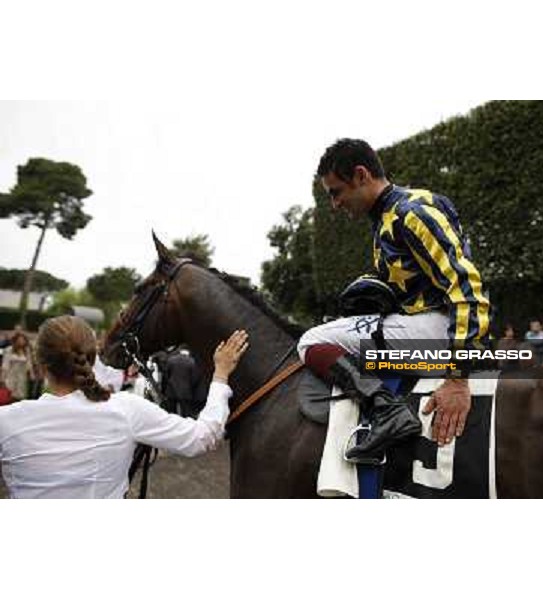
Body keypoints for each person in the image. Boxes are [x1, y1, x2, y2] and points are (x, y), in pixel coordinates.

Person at [297, 139, 491, 461]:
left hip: (439, 333)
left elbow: (466, 287)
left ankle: (387, 411)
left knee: (311, 341)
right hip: (431, 329)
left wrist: (457, 379)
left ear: (361, 175)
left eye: (336, 192)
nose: (334, 204)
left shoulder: (410, 212)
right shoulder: (389, 217)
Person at [0, 315, 248, 499]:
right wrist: (221, 375)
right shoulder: (126, 410)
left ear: (42, 365)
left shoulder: (7, 420)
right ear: (93, 358)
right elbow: (202, 438)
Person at [0, 332, 33, 401]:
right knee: (10, 396)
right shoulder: (9, 350)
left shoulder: (26, 351)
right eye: (19, 339)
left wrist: (31, 373)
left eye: (23, 340)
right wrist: (2, 378)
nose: (21, 341)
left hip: (22, 377)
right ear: (15, 340)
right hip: (11, 376)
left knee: (20, 397)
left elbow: (29, 363)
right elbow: (5, 365)